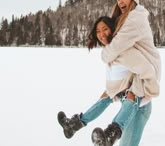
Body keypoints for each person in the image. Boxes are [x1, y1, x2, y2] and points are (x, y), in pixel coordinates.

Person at [91, 0, 161, 146]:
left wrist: (104, 55)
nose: (120, 1)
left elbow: (116, 47)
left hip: (142, 96)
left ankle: (111, 134)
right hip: (135, 93)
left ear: (133, 1)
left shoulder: (135, 19)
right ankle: (110, 133)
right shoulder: (131, 10)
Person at [57, 15, 158, 144]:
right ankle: (74, 125)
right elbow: (117, 82)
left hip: (139, 106)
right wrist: (112, 94)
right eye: (98, 31)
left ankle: (111, 134)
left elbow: (147, 69)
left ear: (112, 29)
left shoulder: (125, 49)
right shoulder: (110, 52)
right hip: (127, 101)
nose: (101, 34)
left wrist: (149, 92)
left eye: (105, 29)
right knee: (106, 95)